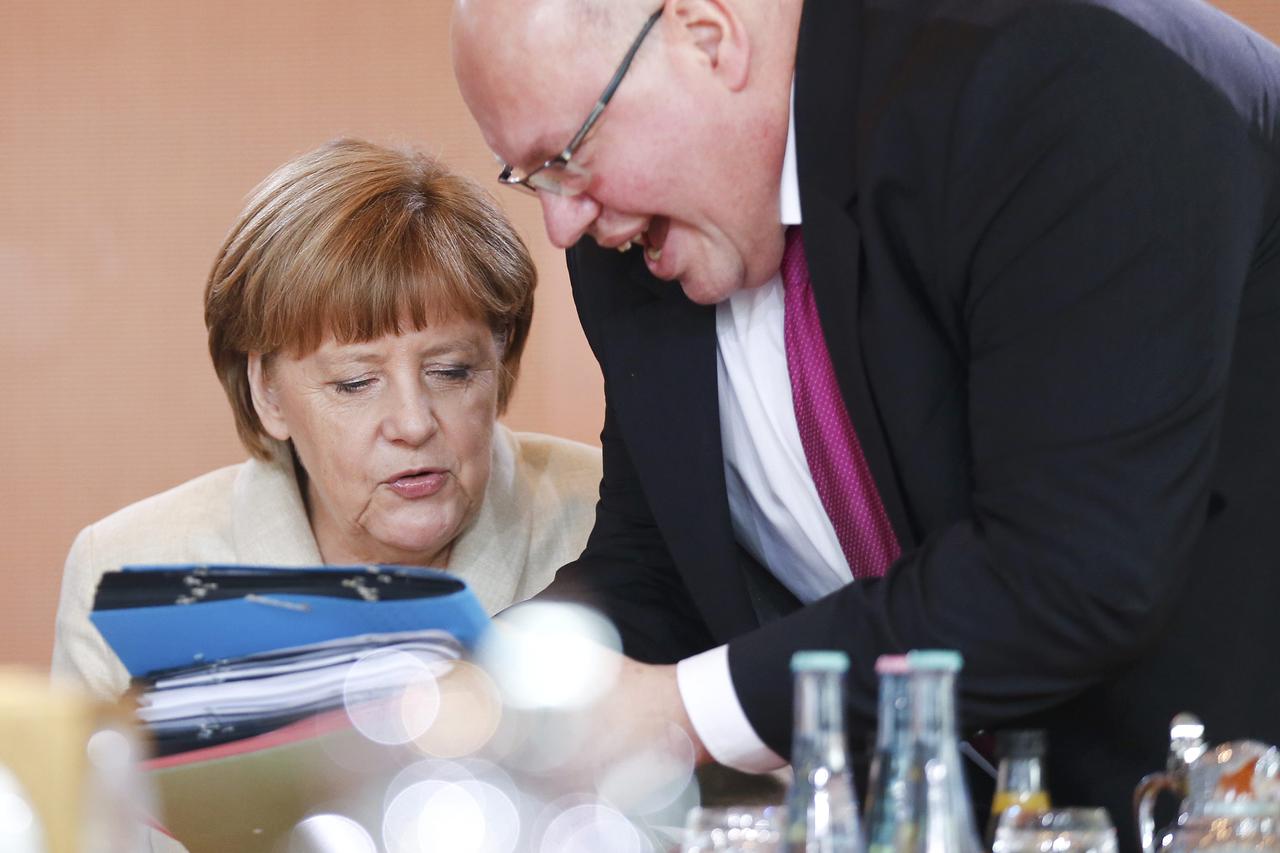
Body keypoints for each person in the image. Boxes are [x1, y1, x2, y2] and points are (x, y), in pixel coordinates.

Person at [451, 0, 1280, 842]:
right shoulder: (641, 235)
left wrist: (683, 712)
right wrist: (482, 691)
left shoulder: (1049, 77)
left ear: (709, 38)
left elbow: (1069, 568)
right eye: (535, 177)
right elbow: (658, 570)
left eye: (569, 156)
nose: (562, 224)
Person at [52, 138, 602, 701]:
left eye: (451, 371)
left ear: (500, 358)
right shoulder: (126, 566)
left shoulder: (606, 517)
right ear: (267, 391)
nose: (414, 424)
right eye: (355, 383)